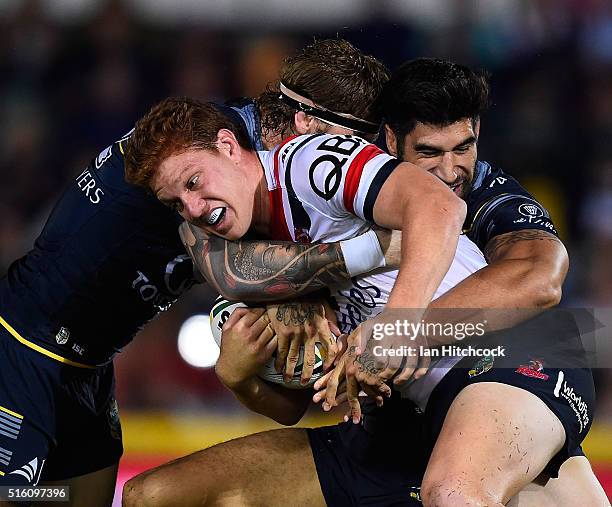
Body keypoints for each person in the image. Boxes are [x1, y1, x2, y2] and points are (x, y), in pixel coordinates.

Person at [122, 60, 607, 507]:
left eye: (193, 182)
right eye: (176, 203)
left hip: (510, 357)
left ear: (231, 146)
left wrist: (396, 330)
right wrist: (240, 379)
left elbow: (443, 210)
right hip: (416, 418)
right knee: (153, 496)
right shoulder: (252, 254)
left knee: (455, 493)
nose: (194, 207)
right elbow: (299, 404)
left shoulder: (307, 162)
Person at [0, 39, 393, 505]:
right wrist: (377, 251)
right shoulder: (199, 153)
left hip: (88, 367)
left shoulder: (272, 174)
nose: (360, 157)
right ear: (308, 122)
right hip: (21, 345)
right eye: (355, 140)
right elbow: (232, 275)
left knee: (77, 503)